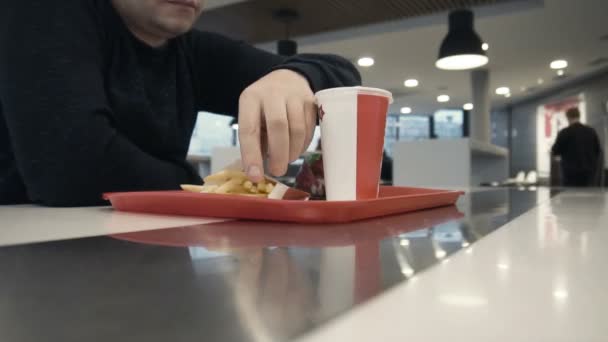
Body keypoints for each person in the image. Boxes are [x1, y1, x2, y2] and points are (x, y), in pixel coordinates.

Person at [0, 0, 361, 206]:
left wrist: (297, 77)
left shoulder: (190, 51)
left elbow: (343, 73)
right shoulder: (46, 10)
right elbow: (70, 170)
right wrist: (198, 185)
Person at [551, 107, 602, 187]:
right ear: (579, 116)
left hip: (570, 173)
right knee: (588, 196)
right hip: (588, 172)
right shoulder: (591, 131)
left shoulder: (564, 132)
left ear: (568, 117)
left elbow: (555, 151)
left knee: (570, 196)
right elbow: (598, 150)